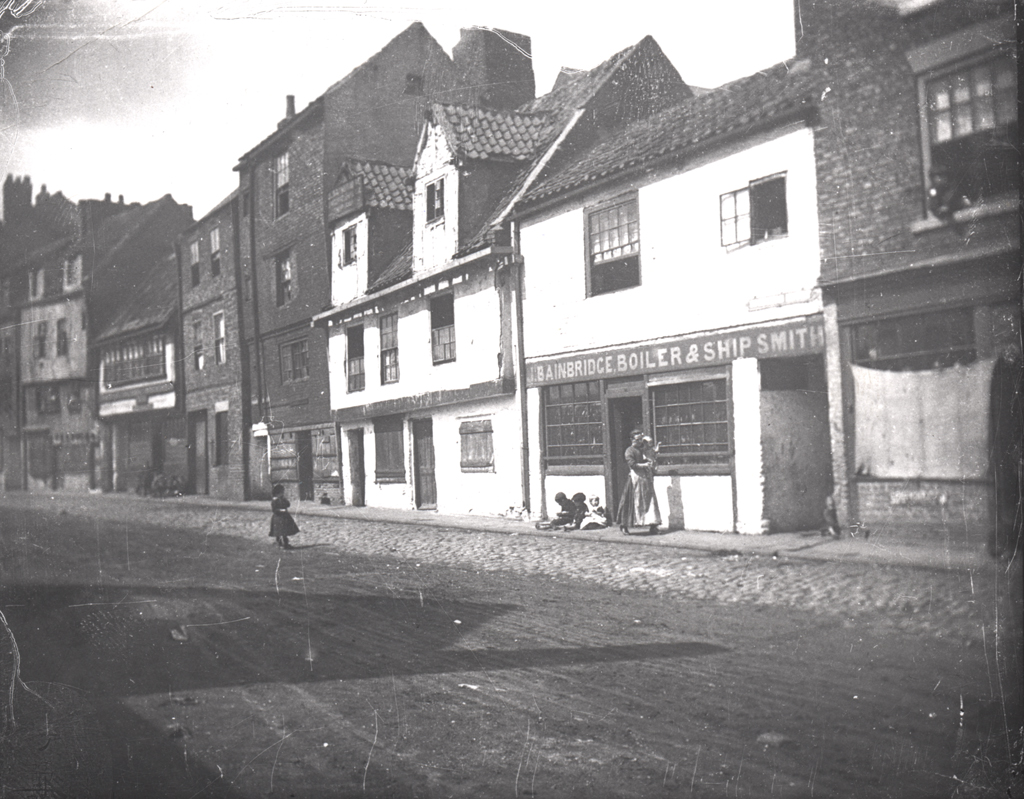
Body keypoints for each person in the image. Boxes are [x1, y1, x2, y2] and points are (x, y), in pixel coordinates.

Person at [616, 429, 662, 534]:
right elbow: (632, 464)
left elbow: (650, 455)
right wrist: (644, 465)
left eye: (641, 439)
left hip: (645, 479)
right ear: (632, 439)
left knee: (650, 500)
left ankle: (653, 526)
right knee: (630, 501)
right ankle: (624, 525)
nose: (640, 441)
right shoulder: (629, 450)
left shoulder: (643, 449)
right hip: (635, 479)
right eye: (637, 439)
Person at [269, 483, 299, 549]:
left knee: (285, 531)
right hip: (278, 518)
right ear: (277, 493)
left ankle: (286, 544)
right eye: (281, 492)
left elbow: (288, 505)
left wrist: (284, 499)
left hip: (284, 517)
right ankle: (279, 543)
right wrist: (281, 510)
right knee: (278, 532)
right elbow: (274, 510)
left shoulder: (282, 499)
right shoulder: (274, 501)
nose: (282, 494)